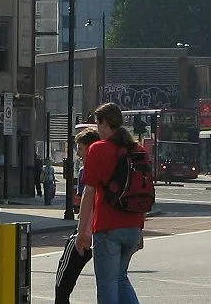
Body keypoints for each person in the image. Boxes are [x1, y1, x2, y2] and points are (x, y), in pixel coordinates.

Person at [76, 102, 146, 304]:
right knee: (121, 278)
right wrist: (139, 228)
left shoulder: (98, 149)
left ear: (105, 123)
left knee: (107, 283)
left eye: (98, 125)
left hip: (108, 228)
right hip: (132, 227)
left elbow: (89, 192)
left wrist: (82, 233)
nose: (97, 130)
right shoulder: (137, 150)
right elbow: (140, 192)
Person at [54, 127, 101, 304]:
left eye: (81, 148)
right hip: (101, 231)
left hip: (85, 232)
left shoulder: (86, 170)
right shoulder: (108, 167)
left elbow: (86, 201)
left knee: (62, 282)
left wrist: (82, 233)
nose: (78, 153)